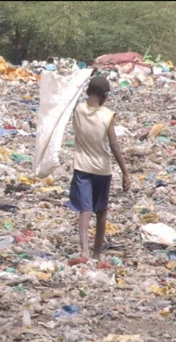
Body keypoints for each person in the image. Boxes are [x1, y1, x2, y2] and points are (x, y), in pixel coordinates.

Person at [67, 75, 130, 259]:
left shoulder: (78, 109)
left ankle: (84, 250)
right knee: (101, 211)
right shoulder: (107, 116)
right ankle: (96, 254)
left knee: (85, 209)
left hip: (82, 166)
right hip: (102, 169)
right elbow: (114, 145)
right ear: (104, 95)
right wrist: (125, 172)